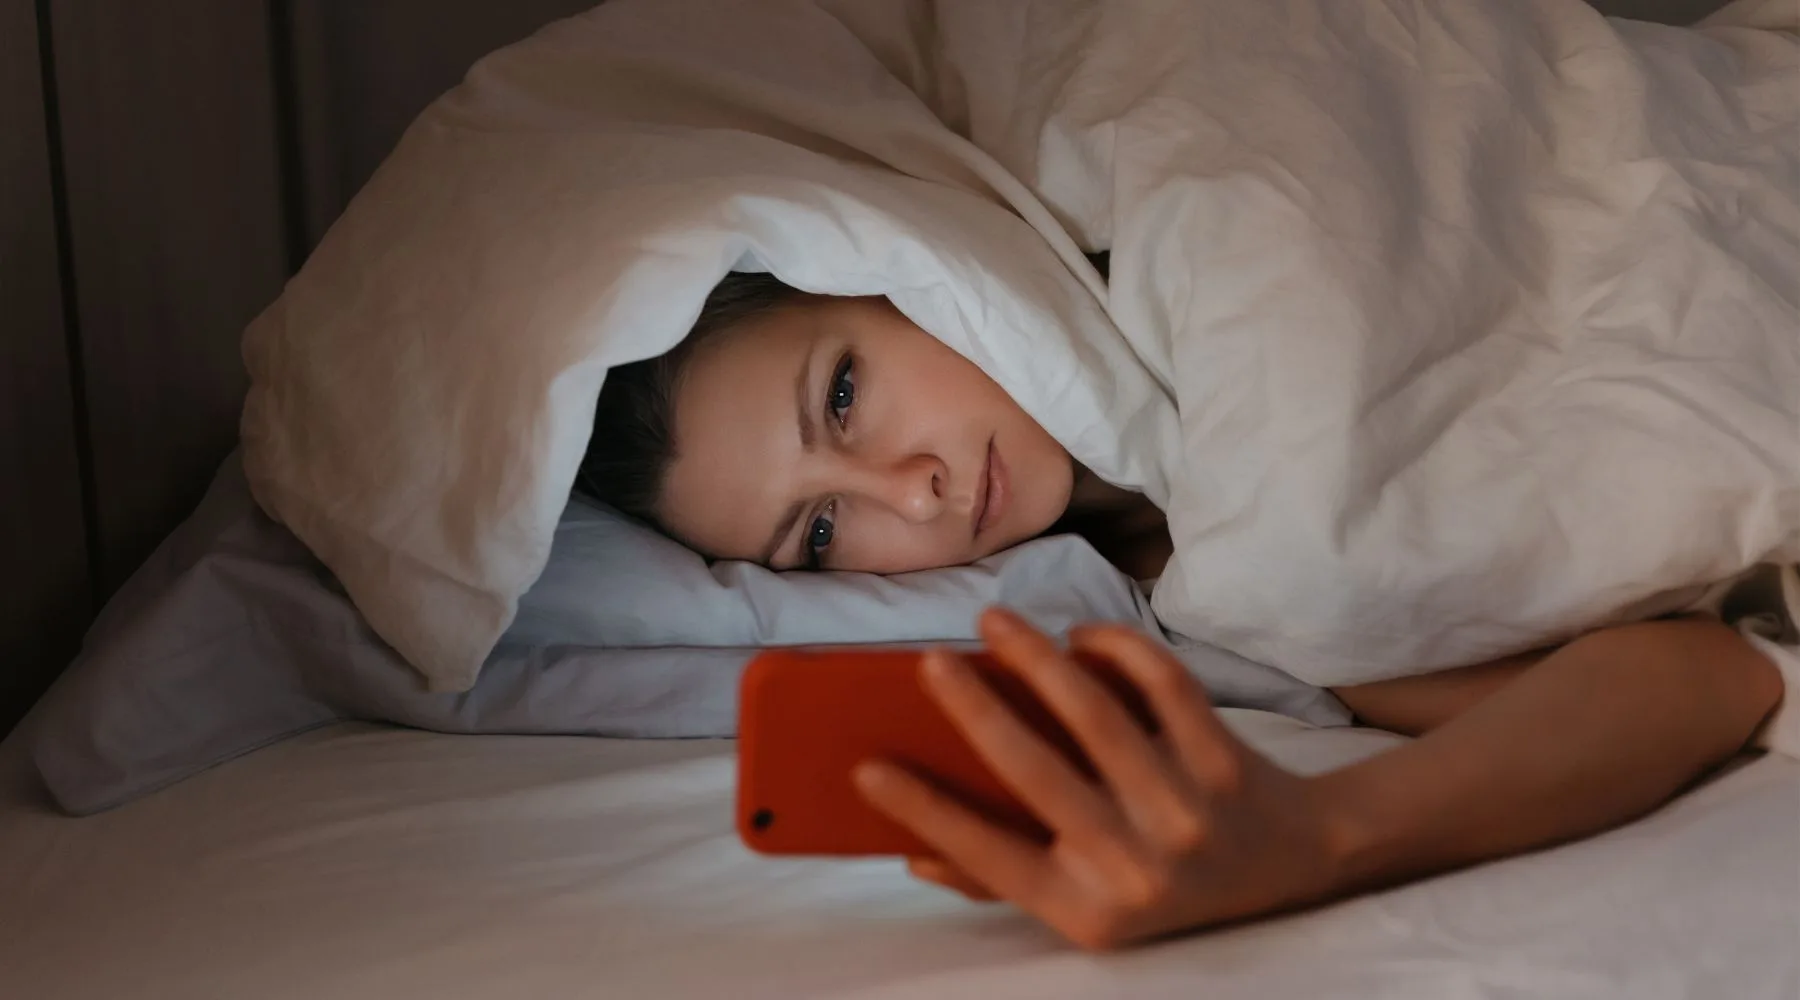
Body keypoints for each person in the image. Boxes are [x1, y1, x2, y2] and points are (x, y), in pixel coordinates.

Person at [577, 270, 1784, 951]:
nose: (913, 492)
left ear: (893, 271)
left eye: (843, 395)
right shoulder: (1207, 597)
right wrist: (1320, 832)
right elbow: (1716, 673)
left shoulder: (1184, 251)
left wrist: (1326, 838)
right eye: (824, 534)